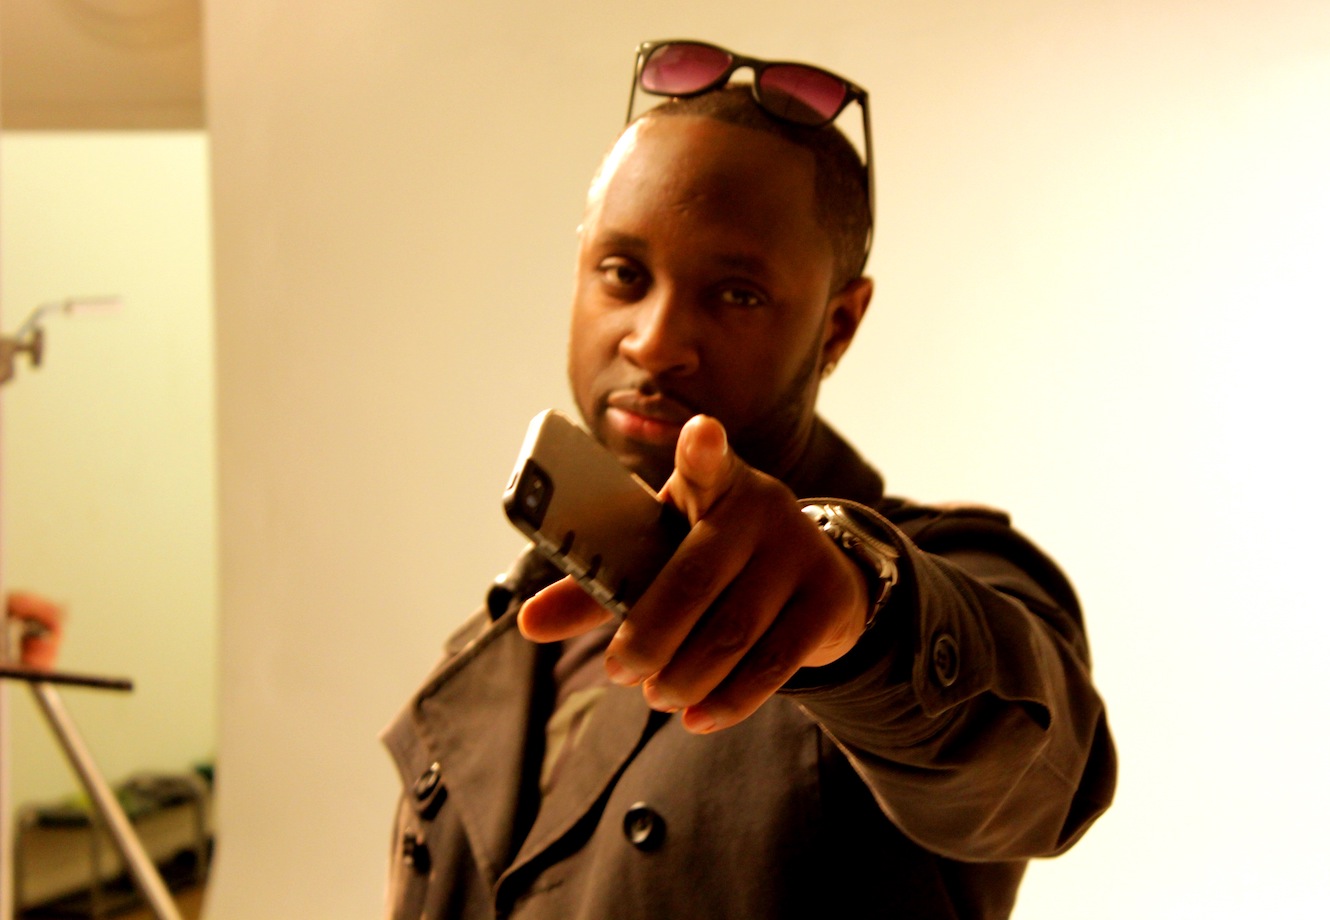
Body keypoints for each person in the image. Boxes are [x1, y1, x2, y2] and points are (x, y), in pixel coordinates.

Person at [382, 39, 1115, 919]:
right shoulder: (508, 634)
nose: (653, 341)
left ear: (838, 326)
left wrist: (852, 615)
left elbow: (1030, 772)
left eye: (736, 293)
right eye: (624, 273)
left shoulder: (923, 581)